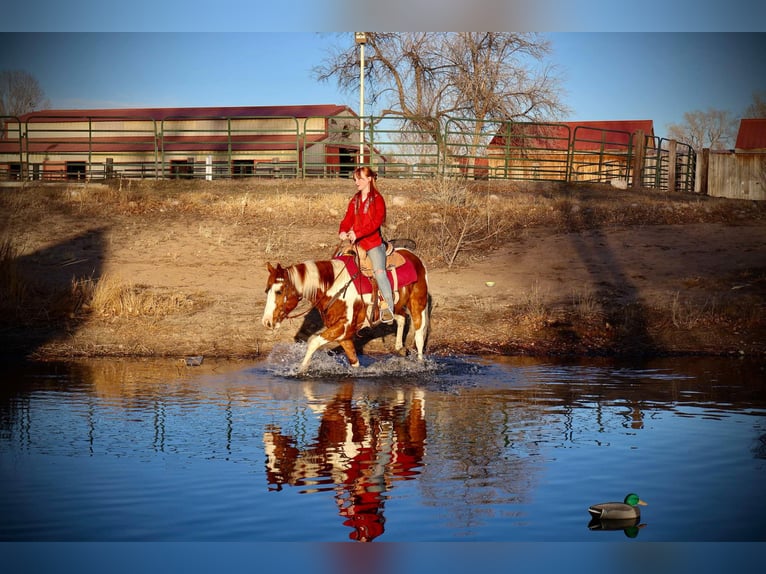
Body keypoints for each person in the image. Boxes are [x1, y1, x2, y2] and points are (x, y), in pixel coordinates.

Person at [338, 166, 395, 324]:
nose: (356, 182)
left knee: (379, 271)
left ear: (369, 179)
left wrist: (358, 233)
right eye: (355, 179)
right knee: (339, 262)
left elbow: (375, 223)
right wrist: (343, 230)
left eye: (360, 179)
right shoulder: (355, 199)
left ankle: (389, 308)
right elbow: (348, 218)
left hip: (373, 243)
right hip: (356, 243)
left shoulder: (377, 199)